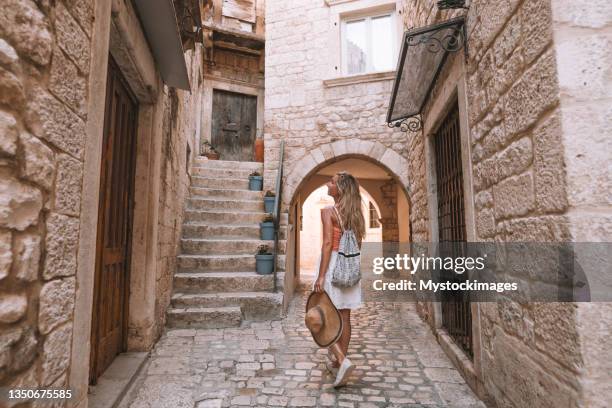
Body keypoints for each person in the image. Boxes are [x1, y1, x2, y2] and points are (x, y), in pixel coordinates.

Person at [312, 171, 365, 387]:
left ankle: (342, 360)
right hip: (350, 265)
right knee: (344, 316)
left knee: (318, 315)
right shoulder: (356, 214)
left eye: (332, 182)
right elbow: (358, 244)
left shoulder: (328, 211)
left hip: (333, 264)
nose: (328, 184)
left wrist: (321, 275)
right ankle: (338, 360)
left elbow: (327, 244)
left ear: (340, 188)